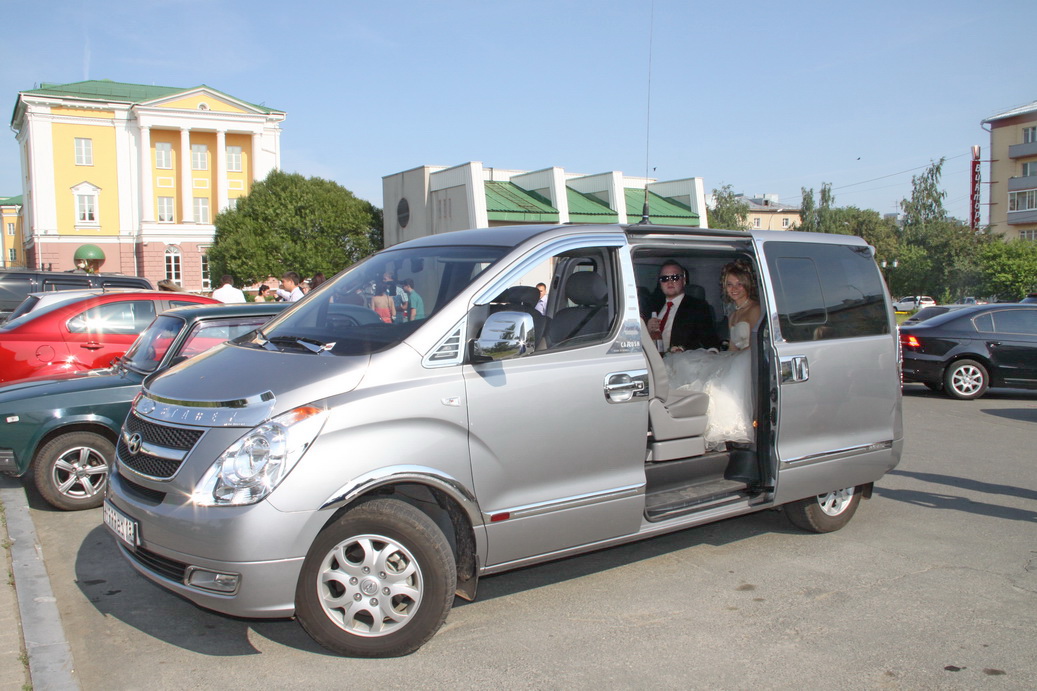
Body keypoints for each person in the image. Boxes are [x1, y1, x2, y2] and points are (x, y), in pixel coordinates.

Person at [664, 260, 760, 449]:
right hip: (736, 357)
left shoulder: (755, 309)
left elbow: (755, 344)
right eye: (729, 284)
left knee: (717, 385)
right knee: (690, 365)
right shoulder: (733, 314)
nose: (734, 289)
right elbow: (732, 347)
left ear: (747, 285)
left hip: (750, 357)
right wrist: (721, 359)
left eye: (739, 284)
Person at [646, 260, 721, 352]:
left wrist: (683, 350)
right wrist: (647, 331)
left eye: (675, 277)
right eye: (665, 278)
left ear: (684, 280)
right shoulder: (652, 305)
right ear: (660, 283)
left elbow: (710, 341)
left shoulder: (697, 307)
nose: (670, 282)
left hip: (682, 358)